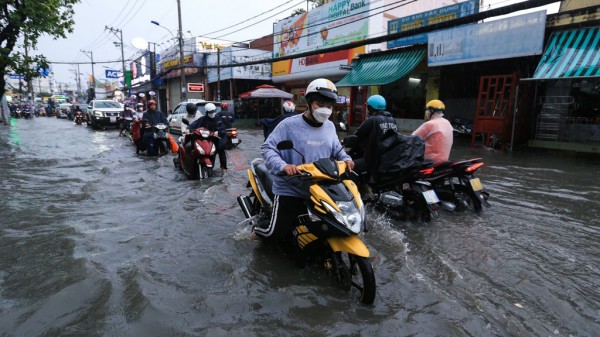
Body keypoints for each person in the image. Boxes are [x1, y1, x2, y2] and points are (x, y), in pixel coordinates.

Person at [253, 78, 354, 245]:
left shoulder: (330, 126)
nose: (325, 110)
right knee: (275, 233)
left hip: (322, 188)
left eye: (329, 106)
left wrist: (346, 159)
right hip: (290, 188)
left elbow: (337, 148)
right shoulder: (288, 125)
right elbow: (268, 148)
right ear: (308, 102)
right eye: (319, 104)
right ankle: (256, 231)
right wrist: (283, 166)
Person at [352, 94, 398, 186]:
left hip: (372, 160)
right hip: (387, 159)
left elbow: (357, 136)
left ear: (370, 107)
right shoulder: (392, 120)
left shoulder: (372, 120)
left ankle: (357, 190)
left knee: (347, 166)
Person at [188, 103, 228, 172]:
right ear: (206, 112)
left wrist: (218, 132)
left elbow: (223, 129)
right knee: (210, 154)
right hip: (208, 140)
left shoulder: (218, 119)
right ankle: (208, 168)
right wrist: (188, 129)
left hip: (218, 140)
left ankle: (223, 168)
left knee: (222, 154)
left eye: (213, 111)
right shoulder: (203, 119)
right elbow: (194, 125)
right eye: (210, 112)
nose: (212, 113)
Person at [412, 99, 454, 164]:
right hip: (444, 161)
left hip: (429, 161)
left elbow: (412, 138)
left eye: (427, 110)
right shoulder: (447, 122)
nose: (426, 113)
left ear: (431, 111)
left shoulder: (430, 124)